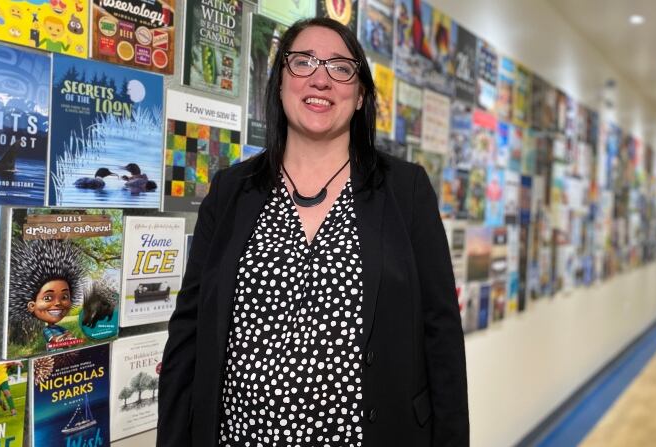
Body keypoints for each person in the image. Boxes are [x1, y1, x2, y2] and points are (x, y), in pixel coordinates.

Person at [158, 17, 468, 447]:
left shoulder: (405, 189)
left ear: (360, 95)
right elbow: (188, 334)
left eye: (341, 68)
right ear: (280, 82)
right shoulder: (232, 190)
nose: (320, 79)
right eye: (303, 62)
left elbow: (442, 337)